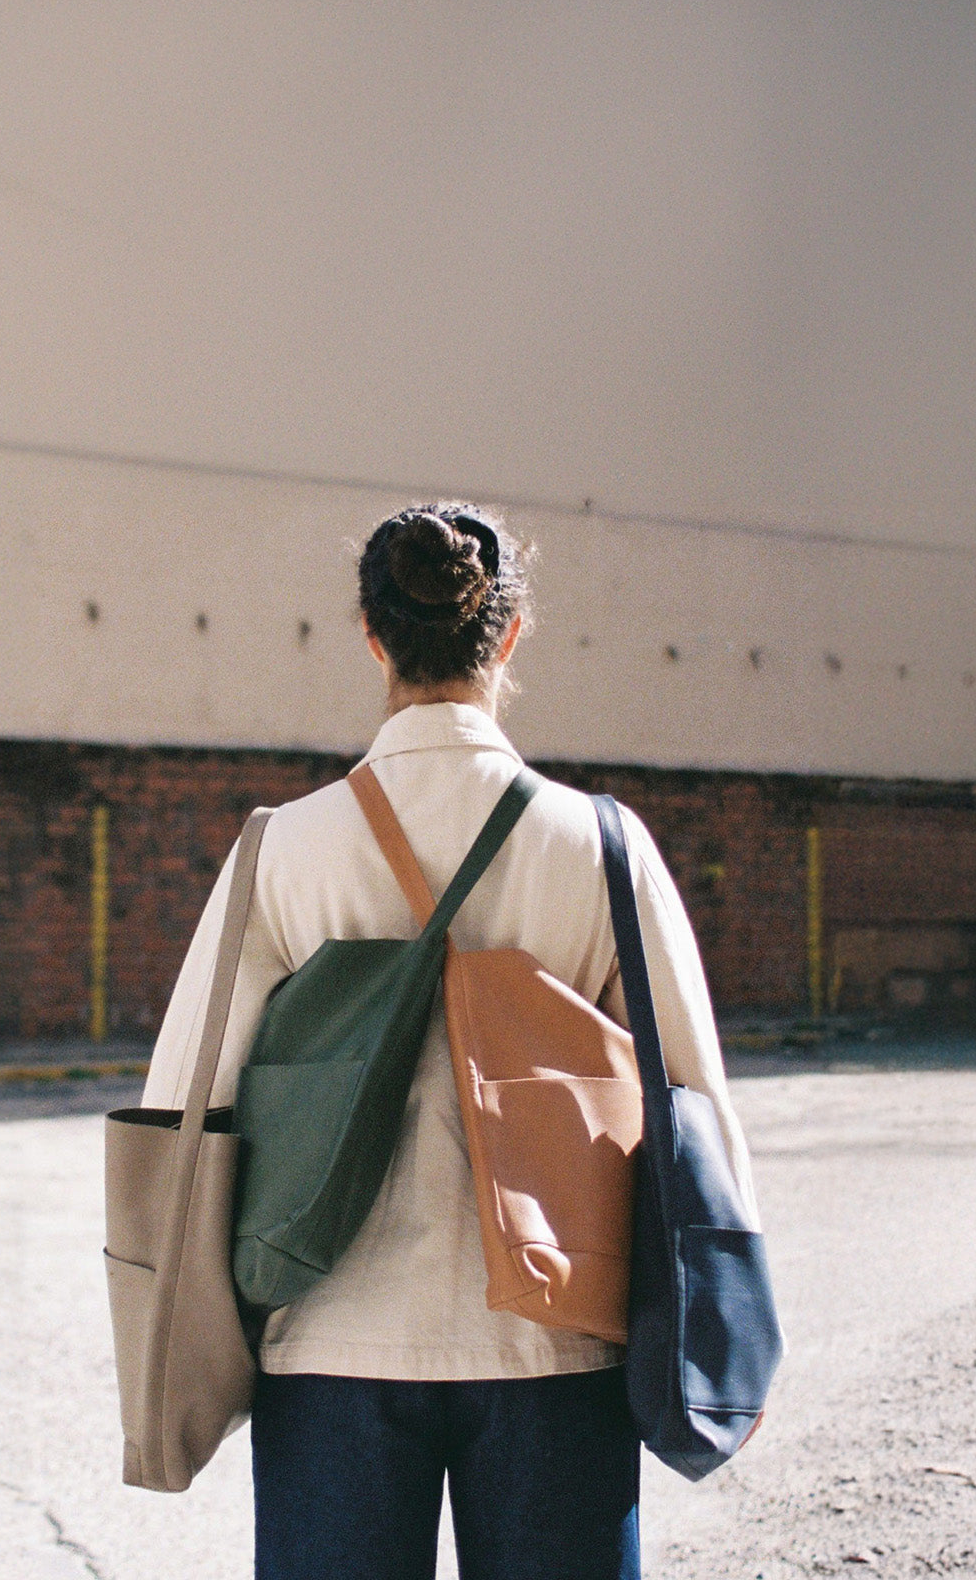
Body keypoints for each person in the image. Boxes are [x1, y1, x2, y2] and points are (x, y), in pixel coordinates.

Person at [142, 503, 762, 1580]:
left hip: (329, 1346)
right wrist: (728, 1323)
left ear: (373, 637)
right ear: (511, 637)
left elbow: (184, 1111)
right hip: (554, 1346)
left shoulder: (277, 851)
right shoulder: (603, 848)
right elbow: (692, 1101)